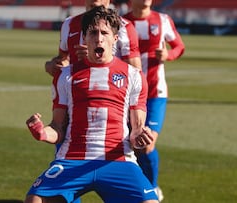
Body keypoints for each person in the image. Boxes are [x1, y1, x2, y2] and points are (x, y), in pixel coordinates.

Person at [25, 6, 159, 203]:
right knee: (35, 200)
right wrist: (43, 133)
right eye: (93, 33)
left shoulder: (134, 76)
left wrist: (140, 137)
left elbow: (136, 130)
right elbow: (57, 128)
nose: (99, 38)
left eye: (104, 33)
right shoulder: (65, 75)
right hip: (73, 158)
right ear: (84, 38)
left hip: (118, 159)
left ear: (115, 39)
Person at [124, 0, 185, 201]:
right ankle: (137, 188)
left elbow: (179, 46)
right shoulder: (122, 22)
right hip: (128, 93)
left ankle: (152, 188)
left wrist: (168, 54)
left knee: (147, 144)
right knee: (131, 144)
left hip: (155, 93)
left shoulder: (162, 19)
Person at [45, 0, 141, 77]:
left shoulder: (124, 27)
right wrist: (53, 65)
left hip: (109, 94)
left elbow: (135, 73)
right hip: (77, 93)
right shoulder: (69, 24)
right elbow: (64, 59)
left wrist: (95, 58)